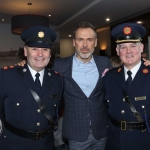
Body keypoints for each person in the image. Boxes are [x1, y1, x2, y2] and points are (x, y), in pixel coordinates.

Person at [0, 26, 63, 150]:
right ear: (25, 51)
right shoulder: (6, 76)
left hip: (46, 144)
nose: (40, 54)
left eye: (45, 49)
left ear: (50, 53)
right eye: (34, 49)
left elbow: (57, 112)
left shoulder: (58, 80)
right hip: (14, 145)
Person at [52, 21, 111, 150]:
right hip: (75, 131)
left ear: (95, 42)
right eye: (80, 39)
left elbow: (115, 83)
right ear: (74, 42)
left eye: (89, 40)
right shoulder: (60, 65)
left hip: (101, 130)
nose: (85, 45)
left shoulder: (104, 62)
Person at [104, 23, 150, 150]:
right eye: (123, 47)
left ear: (141, 48)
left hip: (144, 142)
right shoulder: (109, 77)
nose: (128, 51)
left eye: (133, 46)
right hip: (114, 141)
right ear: (118, 51)